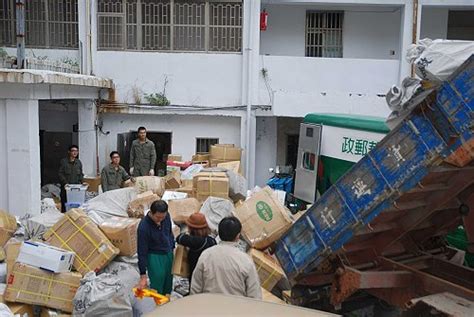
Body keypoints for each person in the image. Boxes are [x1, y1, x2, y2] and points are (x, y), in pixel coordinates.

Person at [190, 216, 262, 299]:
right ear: (238, 236)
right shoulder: (245, 260)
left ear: (219, 233)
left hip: (209, 308)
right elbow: (254, 295)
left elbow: (195, 288)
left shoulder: (206, 255)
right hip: (236, 309)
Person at [137, 200, 175, 295]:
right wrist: (143, 275)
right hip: (155, 256)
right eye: (158, 217)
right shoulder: (144, 227)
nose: (161, 219)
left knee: (168, 282)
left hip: (168, 252)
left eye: (163, 217)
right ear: (151, 212)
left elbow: (169, 233)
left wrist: (172, 246)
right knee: (157, 284)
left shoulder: (166, 217)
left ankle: (167, 302)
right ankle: (158, 306)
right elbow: (142, 251)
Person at [176, 213, 217, 282]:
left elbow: (179, 238)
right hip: (210, 276)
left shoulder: (195, 241)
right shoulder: (211, 240)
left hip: (196, 278)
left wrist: (185, 230)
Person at [58, 145, 84, 213]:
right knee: (65, 204)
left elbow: (80, 174)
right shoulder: (64, 162)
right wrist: (65, 182)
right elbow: (60, 173)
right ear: (69, 152)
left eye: (76, 151)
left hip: (76, 188)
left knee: (76, 205)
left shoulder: (78, 162)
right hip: (66, 187)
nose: (75, 153)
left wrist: (82, 182)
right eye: (73, 151)